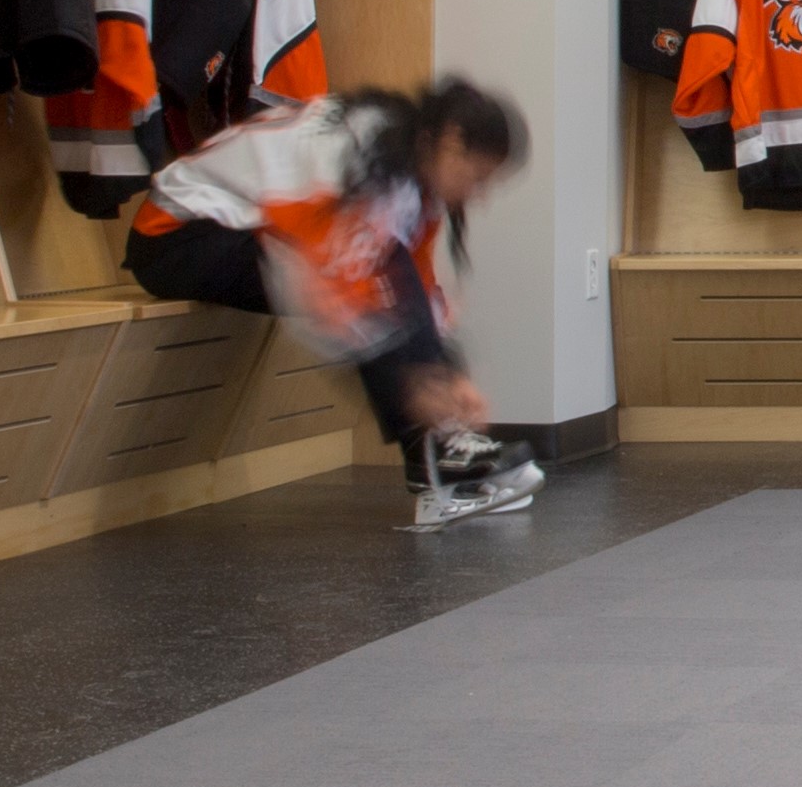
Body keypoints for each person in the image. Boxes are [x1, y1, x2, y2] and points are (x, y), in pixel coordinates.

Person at [123, 79, 535, 528]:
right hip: (175, 235)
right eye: (478, 178)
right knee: (369, 294)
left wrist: (447, 375)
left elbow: (418, 285)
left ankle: (440, 455)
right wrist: (414, 383)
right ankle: (438, 456)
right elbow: (320, 283)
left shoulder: (410, 176)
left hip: (247, 230)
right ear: (452, 143)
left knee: (390, 291)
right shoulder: (355, 155)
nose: (479, 195)